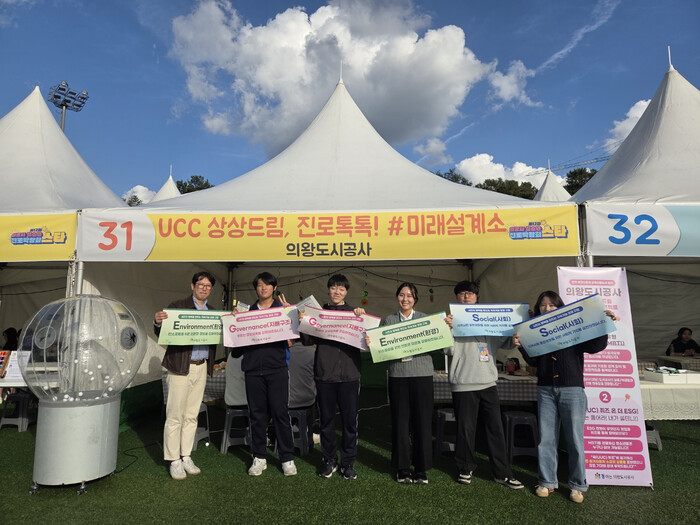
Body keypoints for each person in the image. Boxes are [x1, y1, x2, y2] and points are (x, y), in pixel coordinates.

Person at [514, 290, 617, 504]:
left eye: (552, 305)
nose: (547, 308)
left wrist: (603, 324)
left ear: (560, 307)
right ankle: (547, 482)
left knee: (575, 440)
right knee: (546, 439)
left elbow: (596, 346)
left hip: (572, 389)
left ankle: (577, 485)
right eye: (543, 305)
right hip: (545, 389)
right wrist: (522, 347)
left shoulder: (573, 327)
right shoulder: (536, 331)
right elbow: (533, 362)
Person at [443, 281, 524, 490]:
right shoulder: (451, 321)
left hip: (488, 382)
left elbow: (507, 342)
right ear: (456, 297)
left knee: (495, 429)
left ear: (476, 297)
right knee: (465, 429)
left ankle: (502, 473)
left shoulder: (489, 318)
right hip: (463, 383)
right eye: (462, 293)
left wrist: (520, 324)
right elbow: (447, 350)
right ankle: (465, 467)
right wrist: (447, 329)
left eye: (470, 294)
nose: (466, 297)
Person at [230, 272, 297, 477]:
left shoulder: (283, 310)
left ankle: (287, 458)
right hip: (252, 371)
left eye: (267, 285)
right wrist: (235, 323)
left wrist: (291, 316)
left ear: (274, 288)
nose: (263, 288)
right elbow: (235, 349)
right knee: (257, 415)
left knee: (280, 413)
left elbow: (295, 338)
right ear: (256, 288)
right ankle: (259, 457)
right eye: (260, 285)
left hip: (277, 369)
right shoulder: (246, 313)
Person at [299, 274, 365, 480]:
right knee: (326, 422)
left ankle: (348, 463)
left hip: (350, 376)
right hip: (325, 375)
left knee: (349, 423)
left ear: (346, 292)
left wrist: (362, 319)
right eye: (334, 288)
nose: (337, 292)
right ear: (328, 290)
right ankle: (329, 460)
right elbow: (307, 341)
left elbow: (366, 341)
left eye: (341, 289)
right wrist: (303, 323)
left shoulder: (355, 313)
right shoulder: (319, 313)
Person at [154, 272, 218, 480]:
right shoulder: (177, 306)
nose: (204, 288)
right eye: (201, 284)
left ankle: (186, 456)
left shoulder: (213, 312)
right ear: (192, 286)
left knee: (191, 415)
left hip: (201, 366)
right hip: (180, 367)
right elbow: (162, 332)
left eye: (208, 285)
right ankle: (174, 460)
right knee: (175, 415)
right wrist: (158, 322)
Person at [370, 282, 435, 484]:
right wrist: (372, 342)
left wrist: (446, 327)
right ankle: (403, 468)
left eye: (409, 295)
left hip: (422, 375)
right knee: (400, 422)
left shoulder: (426, 319)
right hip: (398, 376)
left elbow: (438, 342)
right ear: (397, 297)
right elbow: (381, 346)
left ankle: (421, 469)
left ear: (415, 299)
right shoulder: (389, 320)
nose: (405, 299)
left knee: (422, 422)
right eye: (401, 295)